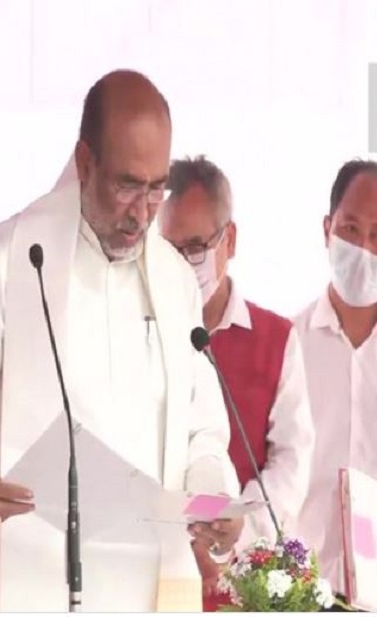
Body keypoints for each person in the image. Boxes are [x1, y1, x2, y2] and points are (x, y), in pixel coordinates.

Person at [0, 69, 244, 612]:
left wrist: (214, 503)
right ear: (84, 161)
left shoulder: (174, 280)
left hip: (150, 582)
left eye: (156, 188)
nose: (142, 213)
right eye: (126, 185)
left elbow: (203, 435)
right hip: (34, 571)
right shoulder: (14, 256)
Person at [158, 155, 314, 610]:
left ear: (231, 239)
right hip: (158, 574)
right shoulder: (141, 331)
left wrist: (239, 524)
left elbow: (291, 461)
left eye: (194, 247)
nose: (183, 264)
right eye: (168, 250)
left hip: (248, 579)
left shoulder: (277, 338)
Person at [294, 159, 377, 611]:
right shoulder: (290, 346)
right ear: (327, 228)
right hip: (304, 591)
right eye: (349, 228)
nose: (363, 247)